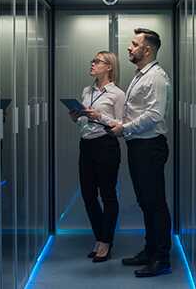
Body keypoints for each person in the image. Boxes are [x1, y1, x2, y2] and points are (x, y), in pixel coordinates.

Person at [109, 28, 172, 277]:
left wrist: (124, 128)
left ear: (147, 50)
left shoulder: (156, 77)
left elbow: (154, 116)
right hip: (138, 145)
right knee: (146, 202)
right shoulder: (141, 74)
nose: (129, 47)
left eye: (134, 44)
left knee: (155, 203)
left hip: (150, 146)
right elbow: (136, 110)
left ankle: (162, 258)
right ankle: (150, 250)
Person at [69, 51, 124, 263]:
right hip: (86, 145)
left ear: (109, 67)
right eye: (92, 60)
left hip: (106, 145)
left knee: (108, 195)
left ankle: (105, 242)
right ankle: (100, 237)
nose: (92, 64)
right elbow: (82, 122)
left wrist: (99, 115)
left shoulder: (117, 94)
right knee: (88, 195)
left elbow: (120, 124)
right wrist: (78, 116)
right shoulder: (87, 90)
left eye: (97, 61)